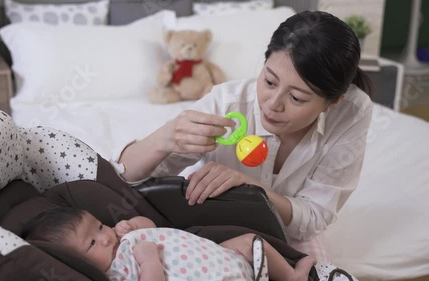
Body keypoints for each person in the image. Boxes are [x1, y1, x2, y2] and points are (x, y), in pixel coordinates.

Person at [110, 10, 374, 260]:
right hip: (212, 223)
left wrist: (251, 189)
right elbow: (123, 180)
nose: (273, 104)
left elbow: (313, 218)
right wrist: (165, 136)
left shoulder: (352, 112)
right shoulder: (226, 106)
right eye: (269, 81)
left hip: (288, 232)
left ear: (332, 102)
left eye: (296, 97)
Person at [22, 207, 316, 281]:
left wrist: (133, 224)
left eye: (99, 225)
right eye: (92, 243)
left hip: (223, 257)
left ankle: (292, 277)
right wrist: (149, 262)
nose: (105, 236)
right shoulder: (116, 272)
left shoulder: (120, 237)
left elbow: (152, 229)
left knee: (251, 242)